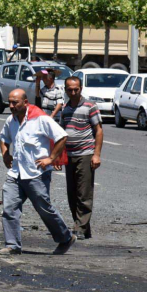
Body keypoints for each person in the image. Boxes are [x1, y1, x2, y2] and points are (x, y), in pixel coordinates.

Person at [0, 89, 76, 255]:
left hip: (36, 174)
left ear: (25, 103)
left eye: (15, 103)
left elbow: (62, 137)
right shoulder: (10, 120)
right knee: (9, 208)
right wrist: (5, 154)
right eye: (10, 102)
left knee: (44, 208)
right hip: (16, 173)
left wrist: (51, 158)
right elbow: (4, 138)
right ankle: (12, 245)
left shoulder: (40, 119)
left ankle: (66, 237)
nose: (11, 106)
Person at [60, 76, 103, 240]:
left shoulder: (90, 106)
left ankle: (79, 227)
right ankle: (84, 227)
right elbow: (62, 134)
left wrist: (96, 155)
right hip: (69, 156)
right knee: (72, 194)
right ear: (65, 90)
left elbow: (98, 131)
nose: (73, 92)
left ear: (81, 88)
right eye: (69, 89)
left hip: (85, 154)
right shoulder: (65, 109)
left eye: (76, 89)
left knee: (84, 193)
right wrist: (58, 157)